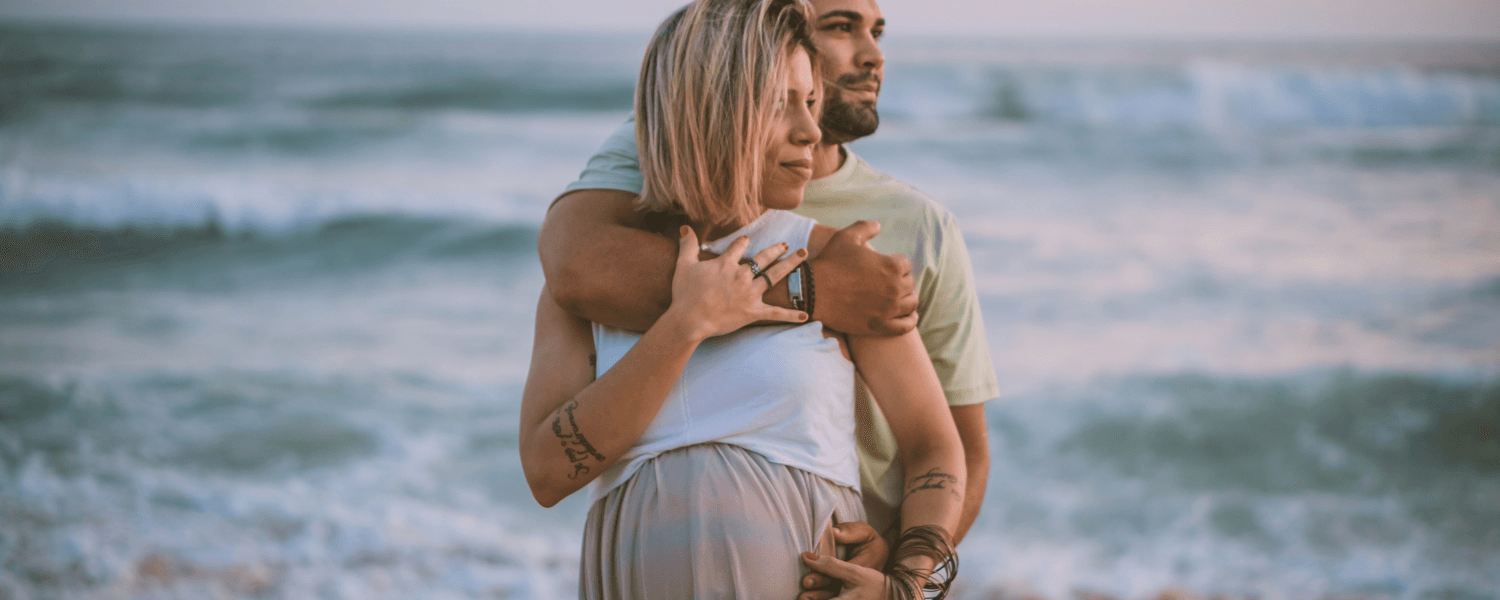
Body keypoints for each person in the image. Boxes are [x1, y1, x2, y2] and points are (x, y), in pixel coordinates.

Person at [539, 0, 999, 593]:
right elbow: (548, 468)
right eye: (839, 25)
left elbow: (950, 449)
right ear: (715, 102)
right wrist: (694, 319)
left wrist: (903, 583)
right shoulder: (609, 258)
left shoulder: (868, 250)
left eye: (809, 102)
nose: (873, 53)